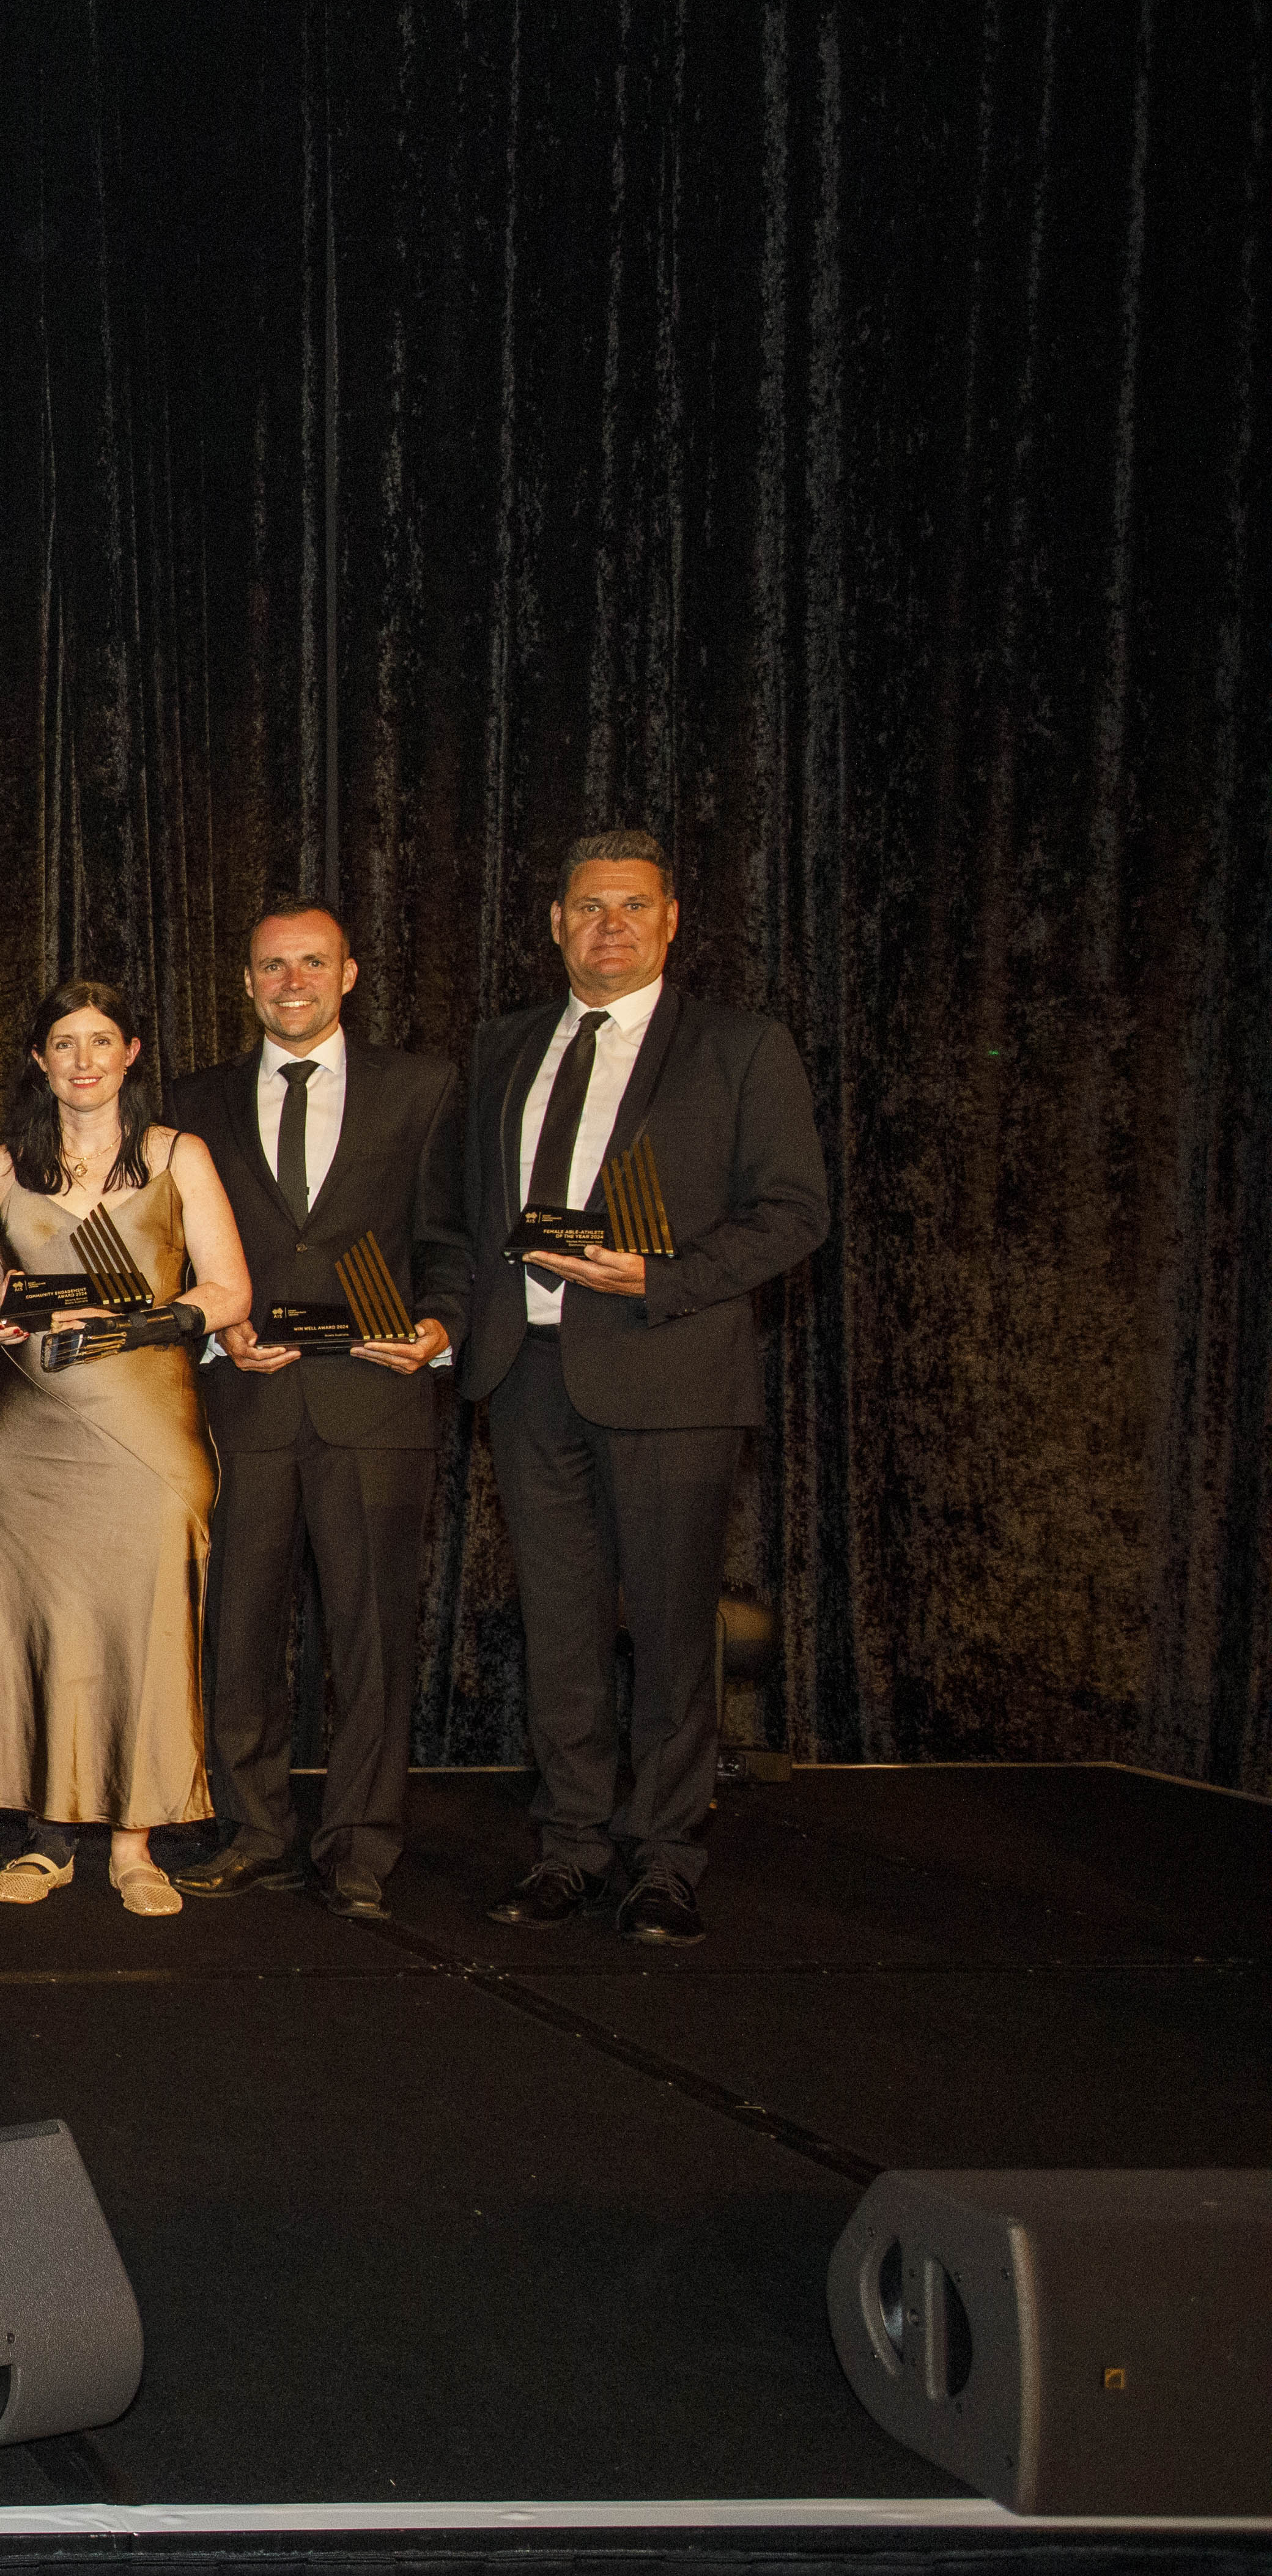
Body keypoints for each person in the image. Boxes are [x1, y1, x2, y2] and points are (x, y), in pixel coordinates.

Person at [451, 830, 826, 1945]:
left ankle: (666, 1858)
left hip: (668, 1374)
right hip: (526, 1375)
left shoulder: (740, 1047)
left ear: (672, 922)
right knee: (560, 1629)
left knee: (669, 1633)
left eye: (632, 906)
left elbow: (795, 1214)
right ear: (554, 925)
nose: (608, 925)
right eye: (588, 907)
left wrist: (658, 1277)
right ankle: (569, 1846)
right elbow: (472, 1213)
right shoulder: (505, 1047)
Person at [165, 896, 469, 1920]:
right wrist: (213, 1330)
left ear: (349, 976)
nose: (290, 981)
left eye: (311, 963)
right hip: (243, 1404)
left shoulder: (421, 1089)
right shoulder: (191, 1101)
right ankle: (254, 1829)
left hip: (374, 1405)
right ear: (245, 983)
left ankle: (359, 1845)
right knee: (238, 1632)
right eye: (270, 966)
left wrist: (434, 1331)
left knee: (372, 1635)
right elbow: (172, 1255)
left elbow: (451, 1242)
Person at [0, 983, 255, 1917]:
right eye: (64, 1044)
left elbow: (229, 1289)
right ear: (39, 1058)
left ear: (132, 1052)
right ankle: (45, 1840)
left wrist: (156, 1319)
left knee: (140, 1625)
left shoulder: (175, 1157)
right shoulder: (1, 1167)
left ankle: (136, 1844)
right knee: (33, 1622)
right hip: (23, 1431)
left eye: (100, 1042)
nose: (83, 1060)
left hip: (142, 1424)